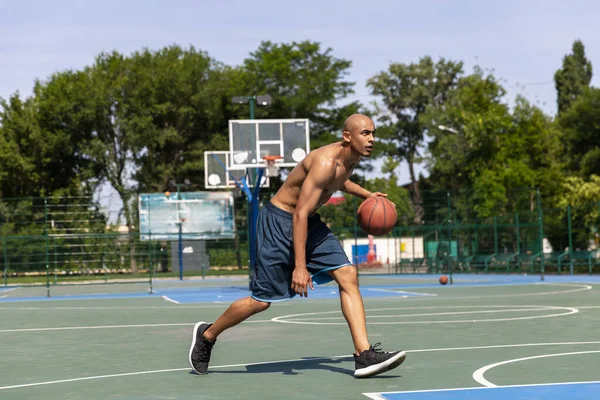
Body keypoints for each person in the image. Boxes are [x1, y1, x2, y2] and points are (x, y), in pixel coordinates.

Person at [189, 114, 406, 378]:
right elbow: (299, 213)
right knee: (261, 302)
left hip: (307, 222)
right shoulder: (325, 161)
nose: (371, 139)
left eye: (373, 133)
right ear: (347, 137)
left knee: (348, 274)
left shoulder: (350, 159)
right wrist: (300, 268)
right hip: (280, 222)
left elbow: (340, 182)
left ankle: (364, 356)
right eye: (365, 133)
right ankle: (208, 334)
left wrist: (367, 194)